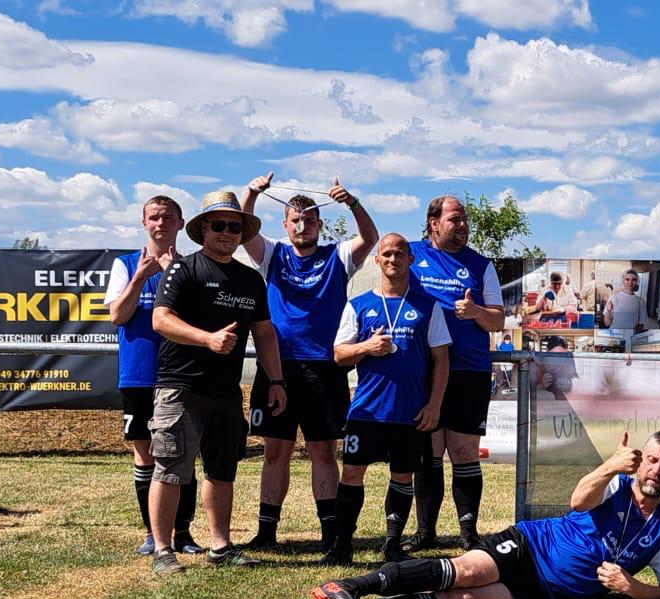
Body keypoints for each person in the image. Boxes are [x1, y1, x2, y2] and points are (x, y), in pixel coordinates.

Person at [310, 432, 660, 599]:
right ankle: (350, 587)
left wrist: (632, 588)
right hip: (531, 546)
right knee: (466, 572)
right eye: (652, 460)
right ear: (640, 462)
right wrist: (610, 466)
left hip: (544, 591)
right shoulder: (616, 484)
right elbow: (578, 501)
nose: (657, 470)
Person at [146, 191, 287, 575]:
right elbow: (161, 320)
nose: (227, 232)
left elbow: (264, 333)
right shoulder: (183, 270)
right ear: (204, 229)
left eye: (234, 227)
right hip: (181, 387)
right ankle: (162, 549)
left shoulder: (250, 280)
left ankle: (220, 545)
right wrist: (206, 339)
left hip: (225, 392)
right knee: (171, 468)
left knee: (222, 471)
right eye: (219, 225)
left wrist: (277, 380)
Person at [239, 172, 377, 551]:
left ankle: (330, 533)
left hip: (324, 368)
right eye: (296, 220)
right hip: (278, 368)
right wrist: (251, 193)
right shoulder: (273, 253)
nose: (302, 226)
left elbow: (370, 238)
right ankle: (266, 533)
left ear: (320, 224)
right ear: (285, 224)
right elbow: (245, 232)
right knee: (275, 451)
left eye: (310, 220)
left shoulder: (338, 255)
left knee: (323, 451)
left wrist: (352, 203)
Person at [324, 233, 451, 564]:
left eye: (399, 253)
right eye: (387, 254)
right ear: (377, 260)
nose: (393, 259)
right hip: (367, 411)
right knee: (352, 474)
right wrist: (367, 347)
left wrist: (434, 405)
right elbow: (339, 354)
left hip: (410, 412)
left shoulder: (429, 307)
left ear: (411, 260)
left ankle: (392, 545)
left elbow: (441, 359)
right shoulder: (358, 305)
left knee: (403, 476)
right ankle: (342, 546)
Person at [406, 196, 506, 552]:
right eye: (455, 219)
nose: (463, 225)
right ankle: (425, 533)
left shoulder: (481, 265)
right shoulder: (411, 254)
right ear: (433, 223)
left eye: (465, 220)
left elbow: (498, 320)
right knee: (429, 451)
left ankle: (468, 532)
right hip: (424, 370)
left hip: (469, 370)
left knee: (464, 452)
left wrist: (476, 311)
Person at [105, 196, 199, 556]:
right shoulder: (126, 264)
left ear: (180, 223)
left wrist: (174, 275)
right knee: (145, 454)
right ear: (144, 223)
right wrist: (140, 278)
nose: (161, 224)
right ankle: (152, 532)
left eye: (168, 218)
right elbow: (118, 316)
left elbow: (195, 319)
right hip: (139, 376)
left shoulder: (190, 266)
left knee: (181, 456)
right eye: (154, 218)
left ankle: (183, 533)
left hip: (180, 376)